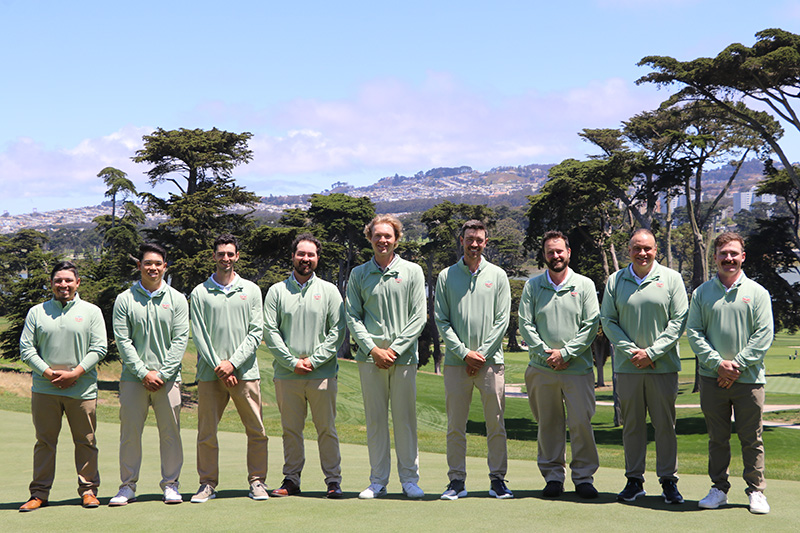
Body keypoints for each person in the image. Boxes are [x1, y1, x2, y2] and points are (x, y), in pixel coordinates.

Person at [687, 232, 773, 514]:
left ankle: (756, 491)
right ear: (715, 257)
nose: (729, 258)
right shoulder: (702, 293)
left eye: (734, 253)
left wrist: (735, 366)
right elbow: (694, 333)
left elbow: (763, 336)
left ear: (742, 257)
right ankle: (719, 488)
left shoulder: (758, 293)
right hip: (713, 378)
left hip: (749, 380)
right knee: (717, 438)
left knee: (752, 438)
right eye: (723, 253)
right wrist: (718, 365)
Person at [600, 228, 688, 504]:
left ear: (655, 250)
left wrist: (651, 353)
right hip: (628, 368)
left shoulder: (671, 278)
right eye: (637, 248)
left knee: (665, 426)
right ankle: (634, 480)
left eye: (647, 248)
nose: (642, 253)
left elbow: (679, 321)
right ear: (629, 251)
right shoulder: (616, 280)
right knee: (632, 426)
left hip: (663, 367)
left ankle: (668, 481)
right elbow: (608, 321)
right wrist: (631, 352)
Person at [346, 215, 426, 500]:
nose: (383, 240)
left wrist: (394, 350)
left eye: (388, 236)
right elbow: (353, 316)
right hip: (371, 360)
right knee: (376, 421)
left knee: (405, 421)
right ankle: (378, 481)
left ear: (397, 239)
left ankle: (409, 480)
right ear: (370, 238)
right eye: (377, 235)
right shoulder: (359, 274)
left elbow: (419, 316)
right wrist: (373, 349)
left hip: (403, 359)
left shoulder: (413, 271)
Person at [19, 261, 107, 512]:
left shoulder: (91, 311)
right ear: (51, 283)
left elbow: (99, 347)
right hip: (45, 389)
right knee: (44, 442)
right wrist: (48, 373)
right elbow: (26, 349)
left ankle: (88, 491)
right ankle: (39, 494)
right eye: (58, 280)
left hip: (82, 389)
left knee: (86, 441)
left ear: (77, 283)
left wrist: (75, 373)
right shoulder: (37, 312)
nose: (63, 285)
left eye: (68, 280)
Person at [434, 220, 513, 500]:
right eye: (469, 239)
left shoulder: (498, 275)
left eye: (479, 239)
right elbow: (442, 320)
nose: (474, 244)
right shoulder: (446, 276)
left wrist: (481, 355)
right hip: (457, 363)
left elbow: (502, 320)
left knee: (496, 424)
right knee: (456, 426)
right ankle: (456, 480)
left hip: (491, 363)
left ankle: (498, 480)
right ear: (461, 240)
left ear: (486, 242)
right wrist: (464, 353)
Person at [519, 231, 600, 499]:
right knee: (548, 424)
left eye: (559, 251)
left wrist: (565, 354)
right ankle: (553, 476)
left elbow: (590, 325)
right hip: (542, 369)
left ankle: (584, 477)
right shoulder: (533, 286)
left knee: (581, 424)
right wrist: (548, 355)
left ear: (568, 253)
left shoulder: (584, 285)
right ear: (544, 255)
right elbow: (526, 324)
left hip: (577, 369)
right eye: (550, 252)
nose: (555, 256)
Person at [264, 234, 346, 499]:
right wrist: (292, 362)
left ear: (317, 258)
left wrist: (313, 360)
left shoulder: (329, 291)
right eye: (301, 254)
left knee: (326, 430)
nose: (306, 259)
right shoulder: (277, 291)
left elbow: (337, 331)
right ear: (293, 256)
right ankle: (291, 480)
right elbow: (270, 332)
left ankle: (333, 481)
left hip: (322, 374)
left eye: (311, 255)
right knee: (291, 431)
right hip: (287, 375)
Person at [189, 234, 268, 503]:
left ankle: (257, 481)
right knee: (206, 433)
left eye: (230, 254)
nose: (225, 258)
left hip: (245, 373)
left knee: (256, 430)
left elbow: (256, 332)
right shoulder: (200, 292)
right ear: (214, 256)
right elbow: (199, 335)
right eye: (221, 254)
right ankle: (207, 484)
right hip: (210, 374)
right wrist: (219, 366)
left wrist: (232, 363)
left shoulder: (251, 290)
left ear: (237, 256)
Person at [109, 243, 189, 506]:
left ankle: (171, 484)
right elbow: (123, 341)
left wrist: (162, 373)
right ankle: (127, 486)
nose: (152, 268)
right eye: (147, 263)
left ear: (165, 266)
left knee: (170, 433)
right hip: (134, 379)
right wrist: (143, 373)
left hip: (168, 380)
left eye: (157, 264)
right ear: (139, 266)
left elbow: (180, 339)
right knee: (130, 434)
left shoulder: (177, 299)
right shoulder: (125, 299)